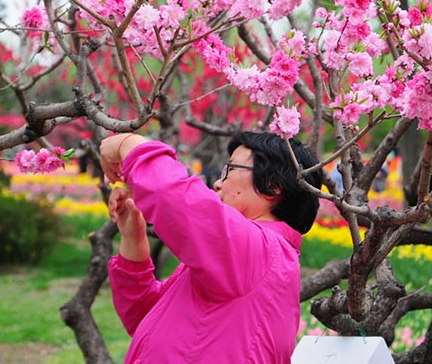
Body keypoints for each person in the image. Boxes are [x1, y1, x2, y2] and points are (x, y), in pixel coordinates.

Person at [100, 131, 324, 363]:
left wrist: (128, 143)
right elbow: (144, 316)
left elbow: (172, 195)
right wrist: (133, 239)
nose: (217, 183)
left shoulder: (261, 252)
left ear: (273, 185)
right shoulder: (249, 259)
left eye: (229, 170)